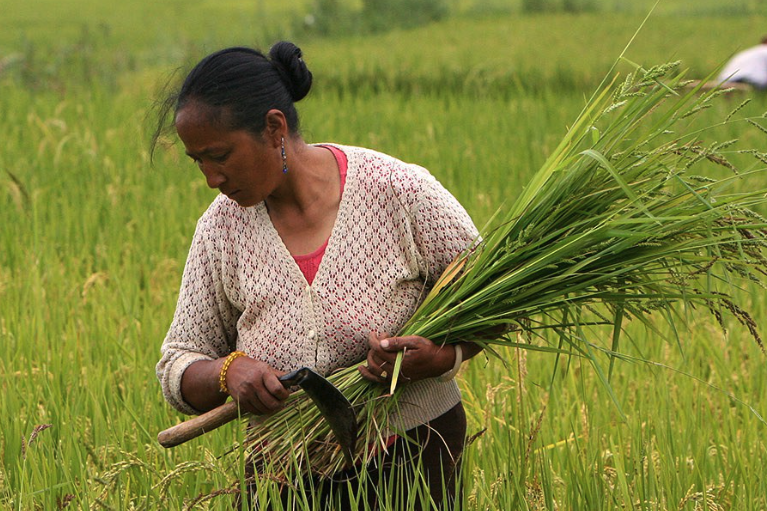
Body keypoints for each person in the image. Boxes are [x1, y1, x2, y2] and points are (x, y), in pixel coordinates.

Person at [153, 41, 483, 509]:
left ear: (273, 128)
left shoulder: (399, 191)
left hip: (412, 456)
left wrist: (440, 357)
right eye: (198, 161)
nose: (211, 177)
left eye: (220, 155)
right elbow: (177, 366)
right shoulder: (221, 228)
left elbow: (489, 301)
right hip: (282, 473)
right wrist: (229, 372)